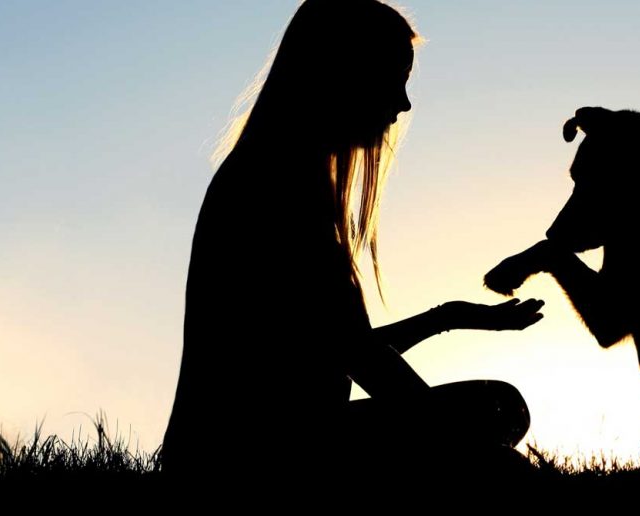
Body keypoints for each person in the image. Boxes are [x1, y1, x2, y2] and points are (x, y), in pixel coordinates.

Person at [162, 0, 541, 484]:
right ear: (345, 75)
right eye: (394, 78)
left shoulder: (282, 174)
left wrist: (446, 318)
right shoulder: (274, 185)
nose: (404, 105)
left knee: (498, 405)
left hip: (260, 444)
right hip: (244, 459)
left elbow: (337, 346)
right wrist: (456, 446)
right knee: (493, 429)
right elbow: (362, 359)